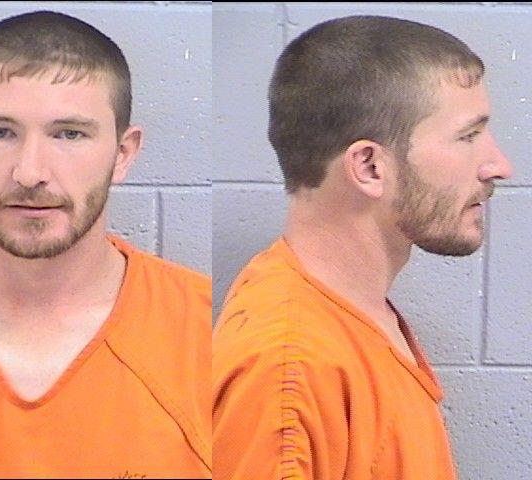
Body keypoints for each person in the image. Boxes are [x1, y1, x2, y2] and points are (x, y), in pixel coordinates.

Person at [0, 11, 210, 479]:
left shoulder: (209, 333)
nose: (30, 173)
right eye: (0, 132)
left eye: (69, 134)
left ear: (122, 155)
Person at [213, 15, 513, 480]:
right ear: (370, 167)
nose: (499, 166)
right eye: (468, 136)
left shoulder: (354, 316)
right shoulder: (287, 375)